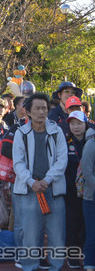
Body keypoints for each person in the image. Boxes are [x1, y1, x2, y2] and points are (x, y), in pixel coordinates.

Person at [12, 92, 68, 271]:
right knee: (30, 235)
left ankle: (56, 266)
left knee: (57, 234)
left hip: (54, 189)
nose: (41, 112)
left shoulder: (56, 131)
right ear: (27, 111)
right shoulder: (21, 133)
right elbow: (18, 163)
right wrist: (31, 181)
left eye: (44, 108)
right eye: (37, 108)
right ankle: (30, 266)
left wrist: (47, 180)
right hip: (30, 191)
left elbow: (62, 160)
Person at [64, 110, 88, 269]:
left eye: (79, 123)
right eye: (72, 124)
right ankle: (72, 257)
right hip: (71, 193)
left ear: (85, 124)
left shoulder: (91, 141)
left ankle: (88, 256)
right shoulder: (65, 142)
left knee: (87, 225)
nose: (76, 127)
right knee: (72, 225)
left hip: (89, 192)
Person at [82, 126, 95, 271]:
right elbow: (87, 172)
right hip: (91, 198)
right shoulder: (91, 144)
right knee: (92, 235)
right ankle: (89, 265)